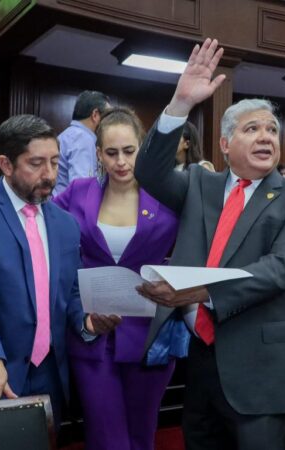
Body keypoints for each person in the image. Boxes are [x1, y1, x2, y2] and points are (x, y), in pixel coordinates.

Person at [134, 38, 285, 450]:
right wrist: (180, 104)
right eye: (251, 129)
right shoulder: (199, 185)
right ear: (224, 145)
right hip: (199, 362)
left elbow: (282, 268)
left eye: (272, 130)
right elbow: (147, 172)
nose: (265, 137)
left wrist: (197, 292)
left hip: (260, 371)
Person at [0, 115, 118, 425]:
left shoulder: (66, 224)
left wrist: (87, 321)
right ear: (6, 164)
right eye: (36, 164)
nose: (49, 175)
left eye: (55, 162)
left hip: (49, 378)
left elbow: (69, 292)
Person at [53, 107, 180, 450]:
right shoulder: (77, 192)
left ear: (142, 149)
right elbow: (41, 222)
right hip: (91, 333)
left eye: (129, 151)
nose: (121, 162)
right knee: (107, 438)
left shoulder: (167, 197)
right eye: (111, 153)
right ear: (98, 154)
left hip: (149, 336)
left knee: (142, 436)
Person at [53, 90, 112, 196]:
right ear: (95, 115)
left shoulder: (67, 135)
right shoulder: (83, 139)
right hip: (69, 205)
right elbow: (82, 191)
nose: (110, 123)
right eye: (108, 117)